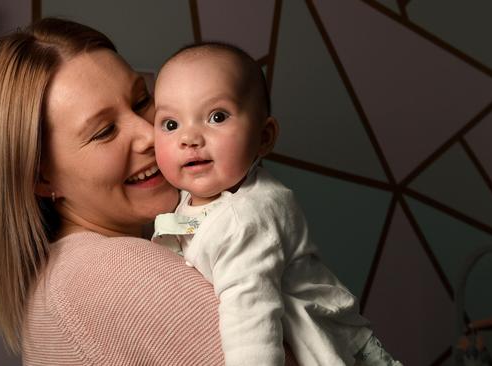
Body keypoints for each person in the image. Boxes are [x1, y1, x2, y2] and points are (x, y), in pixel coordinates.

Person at [0, 18, 301, 365]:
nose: (148, 134)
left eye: (142, 101)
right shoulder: (118, 272)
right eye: (105, 131)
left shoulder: (63, 274)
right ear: (43, 179)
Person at [152, 43, 402, 365]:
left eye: (217, 116)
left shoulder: (245, 219)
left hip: (333, 347)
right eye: (171, 124)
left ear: (264, 136)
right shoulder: (196, 198)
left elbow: (252, 324)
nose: (190, 138)